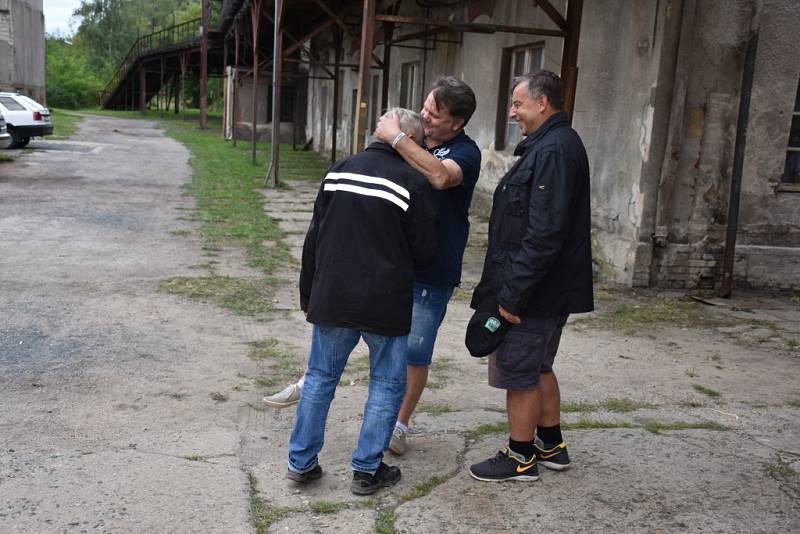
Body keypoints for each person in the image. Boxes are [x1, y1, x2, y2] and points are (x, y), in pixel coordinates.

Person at [267, 77, 482, 458]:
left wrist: (397, 139)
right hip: (387, 263)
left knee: (412, 354)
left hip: (429, 271)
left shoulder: (465, 152)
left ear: (458, 123)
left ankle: (399, 424)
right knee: (342, 337)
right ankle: (311, 383)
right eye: (426, 109)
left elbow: (438, 175)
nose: (426, 117)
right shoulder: (412, 140)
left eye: (436, 115)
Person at [287, 108, 437, 496]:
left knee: (319, 379)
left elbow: (313, 238)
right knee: (387, 385)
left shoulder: (338, 170)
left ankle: (301, 464)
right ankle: (367, 470)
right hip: (384, 302)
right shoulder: (412, 182)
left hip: (333, 296)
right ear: (411, 142)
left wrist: (309, 294)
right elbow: (425, 252)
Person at [467, 70, 593, 483]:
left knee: (519, 372)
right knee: (539, 366)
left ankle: (520, 457)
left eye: (518, 104)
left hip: (535, 291)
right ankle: (551, 445)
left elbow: (545, 232)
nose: (512, 113)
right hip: (547, 288)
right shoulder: (552, 145)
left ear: (543, 103)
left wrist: (512, 296)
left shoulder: (554, 150)